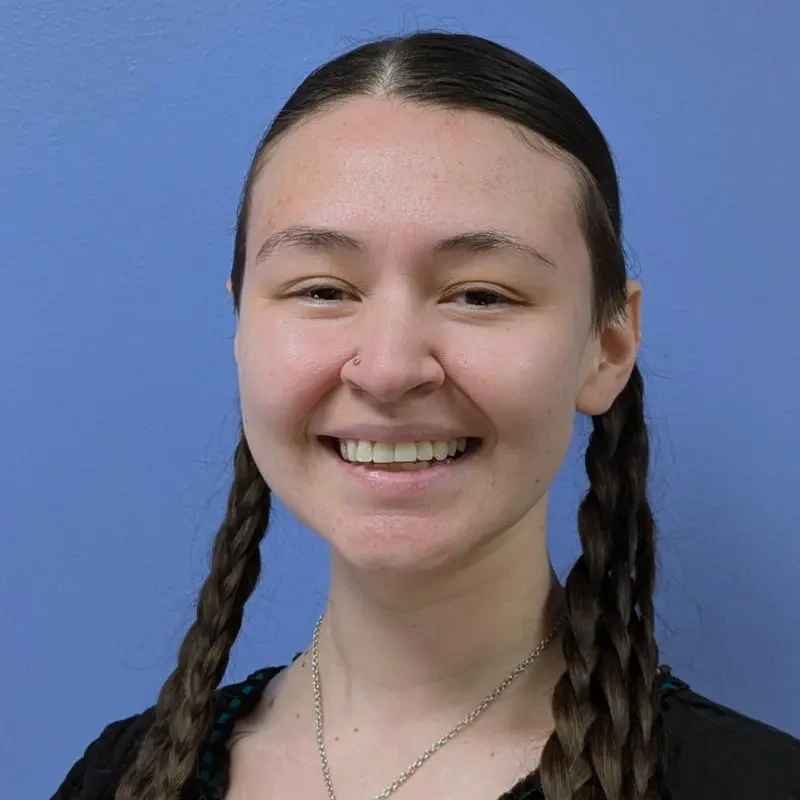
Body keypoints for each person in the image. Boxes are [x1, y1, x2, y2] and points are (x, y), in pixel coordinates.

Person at [51, 30, 799, 800]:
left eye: (480, 294)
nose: (390, 368)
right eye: (323, 290)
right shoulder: (118, 777)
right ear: (241, 327)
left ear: (607, 346)